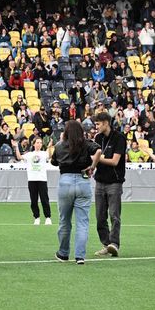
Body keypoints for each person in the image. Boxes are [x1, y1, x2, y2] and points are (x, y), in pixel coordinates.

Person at [53, 120, 102, 265]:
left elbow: (54, 162)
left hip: (65, 181)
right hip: (83, 180)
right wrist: (92, 166)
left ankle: (63, 253)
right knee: (82, 222)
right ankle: (80, 256)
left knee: (64, 220)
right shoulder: (86, 143)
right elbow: (99, 150)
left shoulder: (60, 146)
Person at [92, 112, 126, 257]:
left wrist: (98, 159)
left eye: (98, 124)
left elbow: (114, 161)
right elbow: (94, 158)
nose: (96, 127)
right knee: (100, 217)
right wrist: (92, 166)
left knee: (114, 215)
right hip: (99, 181)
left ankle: (114, 244)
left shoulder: (119, 138)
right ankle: (106, 245)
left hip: (114, 182)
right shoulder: (97, 138)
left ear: (106, 123)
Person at [14, 136, 52, 225]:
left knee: (44, 199)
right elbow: (19, 157)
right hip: (32, 179)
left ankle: (47, 217)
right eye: (37, 142)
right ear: (34, 144)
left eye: (40, 143)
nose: (39, 144)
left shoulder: (44, 153)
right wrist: (16, 147)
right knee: (33, 200)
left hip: (42, 179)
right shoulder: (29, 154)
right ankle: (37, 217)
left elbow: (50, 156)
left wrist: (49, 146)